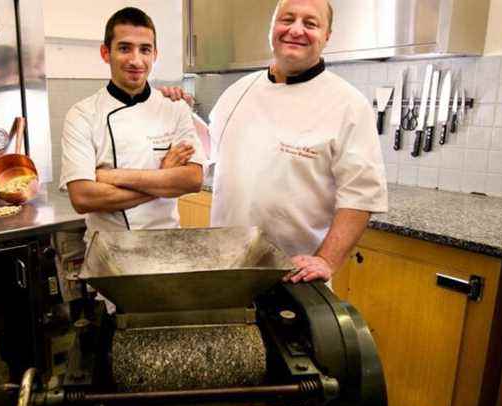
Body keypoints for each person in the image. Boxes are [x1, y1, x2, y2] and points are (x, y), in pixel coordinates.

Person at [161, 0, 388, 284]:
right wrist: (176, 109)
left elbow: (361, 196)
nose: (296, 30)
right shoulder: (238, 91)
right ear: (272, 27)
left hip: (294, 277)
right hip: (225, 266)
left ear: (327, 35)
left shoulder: (349, 105)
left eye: (310, 23)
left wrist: (326, 260)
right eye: (287, 19)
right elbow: (211, 148)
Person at [59, 7, 208, 243]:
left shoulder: (175, 107)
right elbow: (83, 198)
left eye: (145, 49)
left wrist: (112, 177)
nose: (136, 60)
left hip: (166, 247)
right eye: (125, 48)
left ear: (155, 54)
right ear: (105, 53)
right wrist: (163, 178)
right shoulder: (82, 115)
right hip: (109, 253)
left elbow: (192, 180)